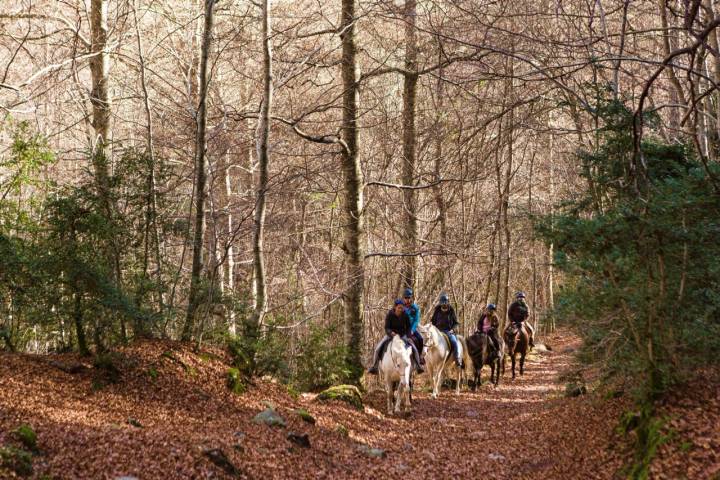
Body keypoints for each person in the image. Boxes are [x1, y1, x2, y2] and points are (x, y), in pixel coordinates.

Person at [368, 299, 425, 374]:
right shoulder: (390, 315)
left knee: (413, 347)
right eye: (399, 308)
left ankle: (418, 366)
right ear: (395, 307)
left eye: (402, 308)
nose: (400, 310)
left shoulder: (405, 315)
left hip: (402, 335)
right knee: (378, 347)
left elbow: (408, 327)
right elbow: (387, 327)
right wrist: (391, 332)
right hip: (391, 335)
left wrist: (408, 336)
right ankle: (374, 366)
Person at [430, 293, 463, 367]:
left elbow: (456, 323)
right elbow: (433, 321)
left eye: (445, 302)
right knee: (428, 340)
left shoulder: (451, 310)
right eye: (442, 302)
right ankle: (425, 359)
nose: (444, 304)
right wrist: (431, 327)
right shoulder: (437, 309)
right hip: (437, 331)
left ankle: (457, 359)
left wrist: (452, 329)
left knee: (454, 342)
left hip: (448, 331)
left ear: (448, 302)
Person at [403, 288, 424, 364]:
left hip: (411, 329)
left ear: (411, 298)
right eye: (406, 298)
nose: (407, 300)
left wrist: (412, 330)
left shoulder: (415, 308)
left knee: (420, 339)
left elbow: (416, 320)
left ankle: (419, 358)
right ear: (404, 298)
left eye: (409, 298)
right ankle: (377, 362)